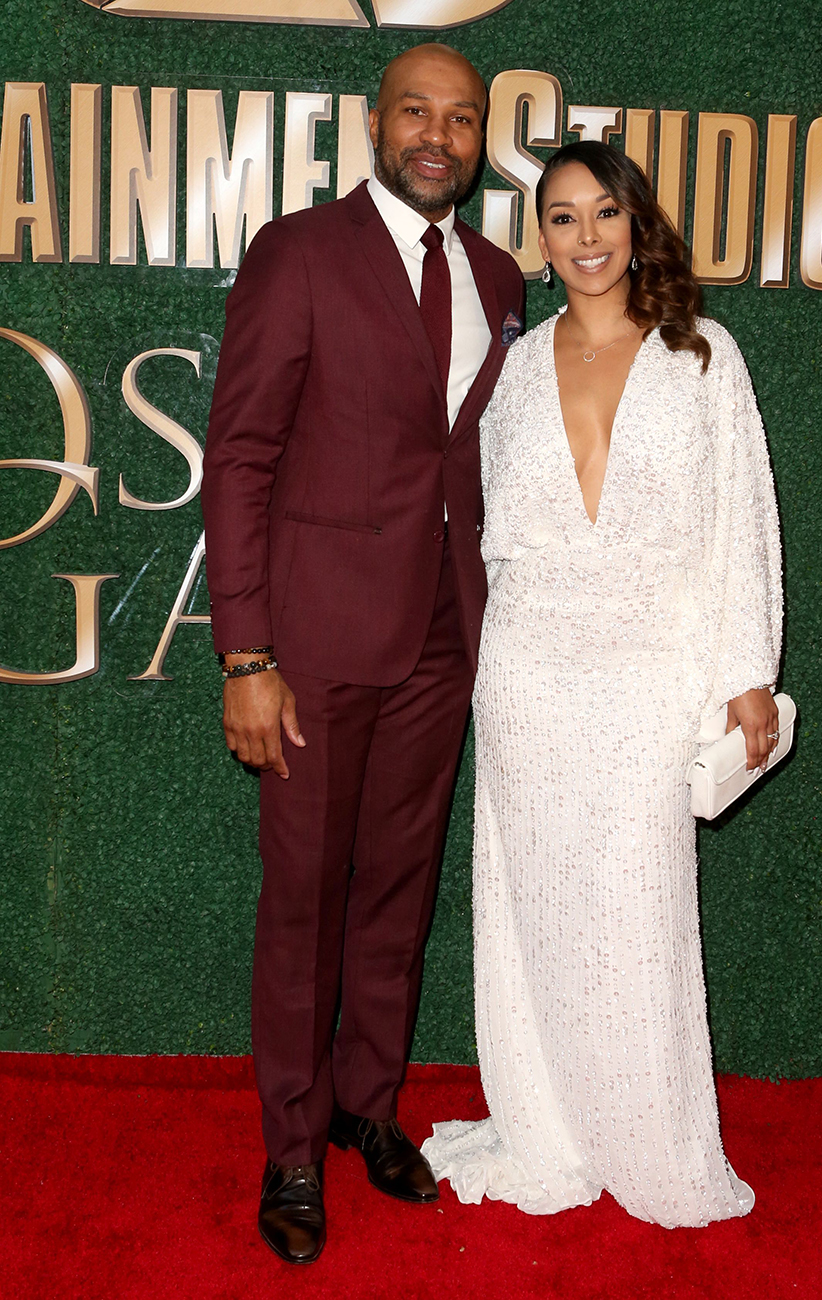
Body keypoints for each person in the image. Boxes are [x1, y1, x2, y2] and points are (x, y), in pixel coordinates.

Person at [200, 44, 524, 1264]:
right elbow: (239, 460)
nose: (436, 134)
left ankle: (364, 1106)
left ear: (479, 137)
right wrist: (247, 655)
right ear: (374, 123)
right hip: (314, 646)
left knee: (397, 893)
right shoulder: (299, 252)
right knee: (304, 903)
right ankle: (291, 1145)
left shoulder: (497, 275)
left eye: (460, 117)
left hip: (445, 638)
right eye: (415, 113)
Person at [421, 140, 783, 1228]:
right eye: (562, 218)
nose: (584, 239)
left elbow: (740, 523)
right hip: (529, 672)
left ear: (637, 225)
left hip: (647, 676)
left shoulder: (702, 355)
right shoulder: (515, 366)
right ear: (542, 240)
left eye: (602, 215)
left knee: (636, 912)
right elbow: (474, 521)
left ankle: (651, 1137)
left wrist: (745, 674)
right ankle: (545, 1124)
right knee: (532, 908)